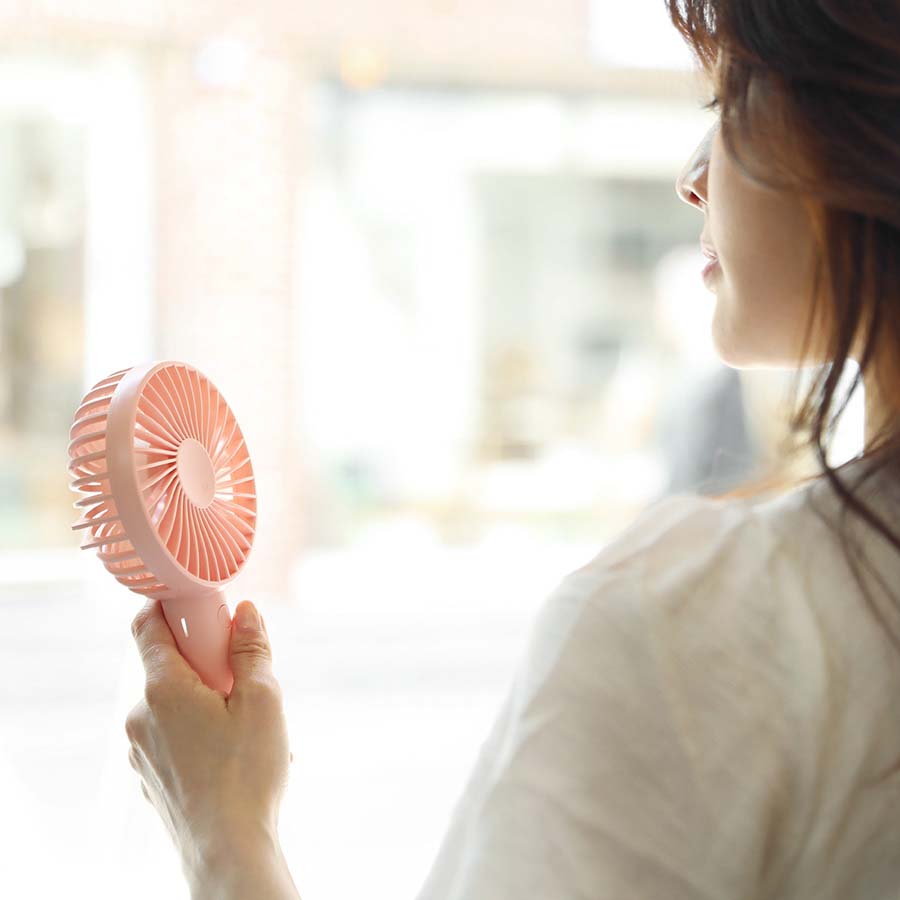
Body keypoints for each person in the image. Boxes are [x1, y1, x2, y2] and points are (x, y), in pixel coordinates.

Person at [123, 2, 900, 897]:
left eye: (731, 102)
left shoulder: (688, 626)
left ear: (859, 125)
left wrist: (222, 828)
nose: (693, 177)